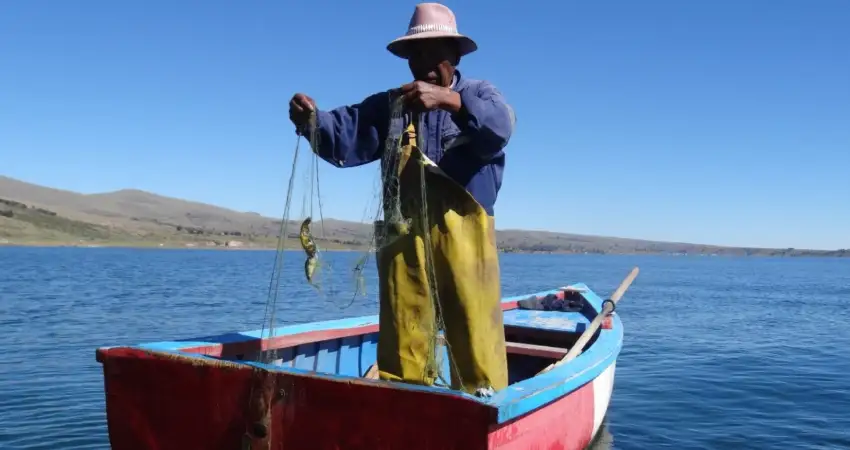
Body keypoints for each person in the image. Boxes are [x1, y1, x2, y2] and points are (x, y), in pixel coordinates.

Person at [288, 2, 515, 396]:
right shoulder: (392, 106)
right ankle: (406, 409)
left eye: (434, 53)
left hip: (466, 248)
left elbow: (499, 128)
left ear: (455, 55)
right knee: (404, 343)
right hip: (402, 243)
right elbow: (343, 133)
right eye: (416, 55)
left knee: (477, 343)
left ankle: (485, 413)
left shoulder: (479, 94)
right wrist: (311, 120)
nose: (424, 64)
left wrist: (449, 101)